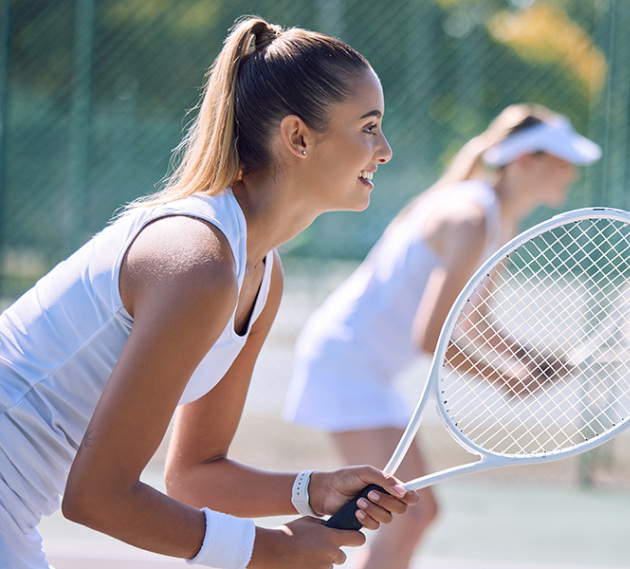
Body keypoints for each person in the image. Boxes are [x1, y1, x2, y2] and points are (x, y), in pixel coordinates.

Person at [0, 17, 419, 569]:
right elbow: (97, 498)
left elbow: (193, 475)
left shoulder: (260, 277)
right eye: (368, 127)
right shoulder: (198, 263)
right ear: (297, 137)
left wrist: (313, 490)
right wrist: (270, 550)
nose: (384, 150)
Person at [283, 103, 602, 569]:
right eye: (561, 159)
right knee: (406, 518)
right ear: (524, 160)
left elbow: (474, 323)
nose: (571, 172)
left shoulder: (497, 221)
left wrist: (532, 359)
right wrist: (504, 379)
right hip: (345, 363)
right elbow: (430, 338)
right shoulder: (470, 217)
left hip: (367, 370)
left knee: (415, 514)